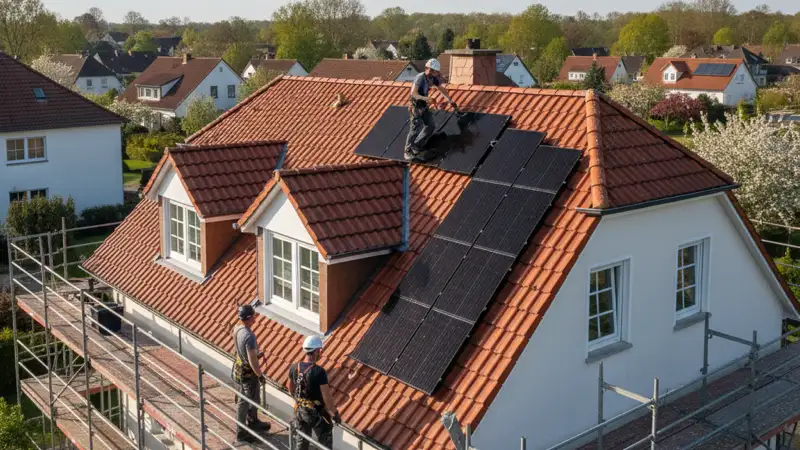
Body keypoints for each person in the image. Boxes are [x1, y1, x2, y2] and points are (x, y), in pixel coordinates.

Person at [288, 335, 340, 450]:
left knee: (301, 439)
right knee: (325, 438)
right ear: (316, 351)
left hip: (300, 411)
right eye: (320, 350)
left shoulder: (294, 367)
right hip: (316, 413)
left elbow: (290, 387)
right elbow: (327, 397)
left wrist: (299, 401)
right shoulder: (319, 372)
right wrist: (335, 413)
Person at [404, 58, 457, 162]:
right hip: (415, 106)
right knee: (415, 128)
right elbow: (413, 94)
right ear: (429, 69)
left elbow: (441, 89)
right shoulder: (420, 77)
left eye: (436, 72)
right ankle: (407, 151)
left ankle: (416, 146)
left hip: (424, 106)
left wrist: (450, 100)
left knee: (431, 125)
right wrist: (427, 99)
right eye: (434, 71)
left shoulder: (433, 78)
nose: (436, 73)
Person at [232, 305, 270, 443]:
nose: (255, 318)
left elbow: (243, 352)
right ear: (248, 318)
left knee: (253, 397)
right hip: (247, 375)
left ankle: (253, 421)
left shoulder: (237, 329)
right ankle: (241, 433)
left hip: (238, 370)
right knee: (244, 402)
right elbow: (252, 360)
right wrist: (260, 375)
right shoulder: (249, 336)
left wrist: (255, 355)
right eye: (253, 316)